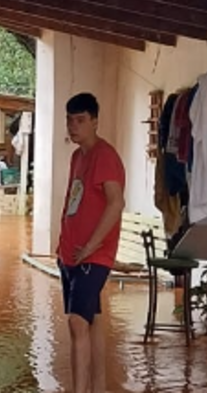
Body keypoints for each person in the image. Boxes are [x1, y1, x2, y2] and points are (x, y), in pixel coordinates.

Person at [58, 92, 125, 393]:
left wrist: (92, 246)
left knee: (76, 323)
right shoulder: (77, 157)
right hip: (71, 253)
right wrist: (63, 245)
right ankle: (97, 387)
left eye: (80, 120)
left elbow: (116, 203)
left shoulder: (105, 157)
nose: (74, 127)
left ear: (95, 121)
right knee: (91, 321)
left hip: (93, 255)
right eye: (70, 120)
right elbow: (74, 202)